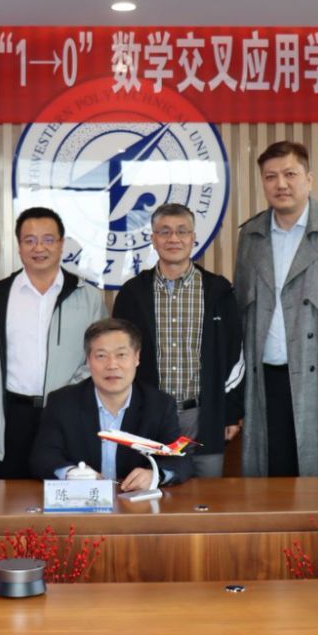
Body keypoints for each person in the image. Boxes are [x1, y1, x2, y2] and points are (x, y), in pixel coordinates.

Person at [232, 141, 318, 477]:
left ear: (308, 179)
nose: (280, 184)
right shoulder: (251, 235)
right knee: (271, 481)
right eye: (270, 177)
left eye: (290, 174)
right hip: (264, 382)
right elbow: (241, 316)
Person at [0, 207, 106, 478]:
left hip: (69, 412)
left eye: (48, 239)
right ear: (19, 246)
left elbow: (99, 356)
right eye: (30, 240)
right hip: (12, 414)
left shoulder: (88, 296)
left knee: (67, 486)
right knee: (14, 493)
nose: (39, 248)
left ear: (61, 244)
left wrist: (69, 396)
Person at [112, 203, 244, 477]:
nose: (174, 238)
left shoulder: (219, 291)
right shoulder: (132, 294)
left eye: (182, 231)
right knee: (152, 490)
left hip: (204, 418)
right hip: (149, 419)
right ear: (153, 239)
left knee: (207, 496)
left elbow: (236, 357)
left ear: (193, 237)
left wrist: (230, 412)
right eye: (165, 232)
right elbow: (119, 356)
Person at [30, 318, 193, 488]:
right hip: (82, 501)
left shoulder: (159, 405)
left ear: (137, 357)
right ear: (88, 360)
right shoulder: (62, 402)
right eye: (101, 356)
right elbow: (43, 457)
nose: (112, 365)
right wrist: (71, 473)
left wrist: (155, 475)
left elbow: (181, 459)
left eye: (121, 355)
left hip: (134, 501)